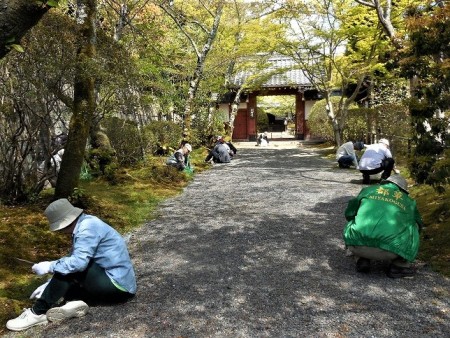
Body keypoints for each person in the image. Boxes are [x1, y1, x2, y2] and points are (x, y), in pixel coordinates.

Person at [6, 198, 137, 331]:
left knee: (71, 268)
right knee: (66, 285)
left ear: (63, 223)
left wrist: (49, 266)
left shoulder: (87, 228)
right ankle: (74, 303)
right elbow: (73, 258)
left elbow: (77, 263)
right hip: (115, 285)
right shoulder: (86, 224)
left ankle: (37, 313)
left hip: (118, 287)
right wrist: (50, 284)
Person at [342, 174, 424, 278]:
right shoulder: (409, 202)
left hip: (356, 245)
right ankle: (399, 266)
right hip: (390, 251)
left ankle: (361, 258)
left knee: (354, 219)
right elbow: (419, 224)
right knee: (414, 226)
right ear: (402, 189)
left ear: (385, 183)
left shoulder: (368, 190)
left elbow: (349, 213)